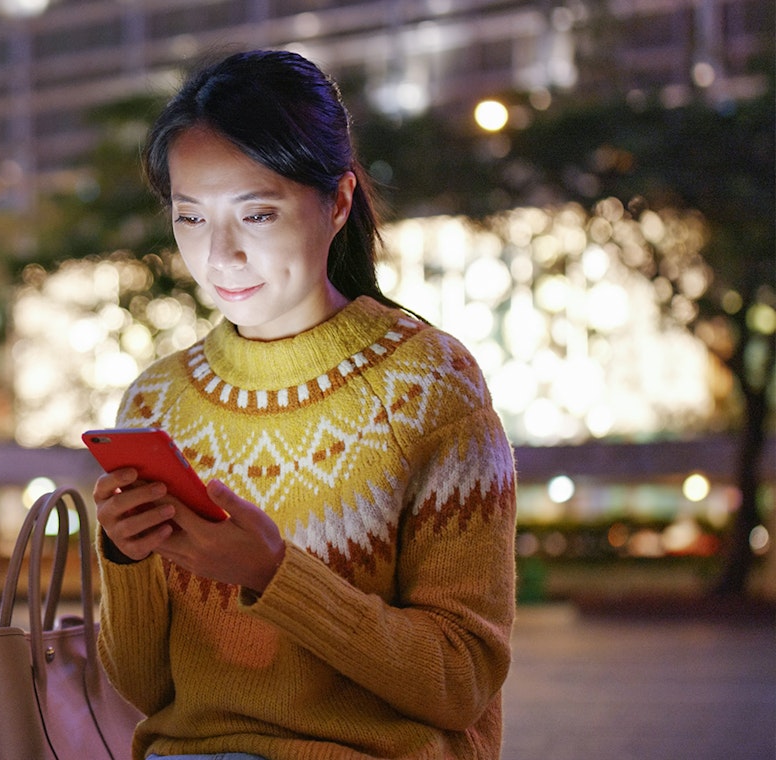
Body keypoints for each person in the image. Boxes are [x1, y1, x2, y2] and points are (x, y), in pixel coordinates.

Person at [92, 49, 517, 760]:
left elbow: (460, 679)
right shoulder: (155, 403)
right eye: (191, 217)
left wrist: (272, 574)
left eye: (256, 214)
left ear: (339, 201)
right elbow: (147, 690)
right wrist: (126, 558)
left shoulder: (428, 386)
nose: (219, 254)